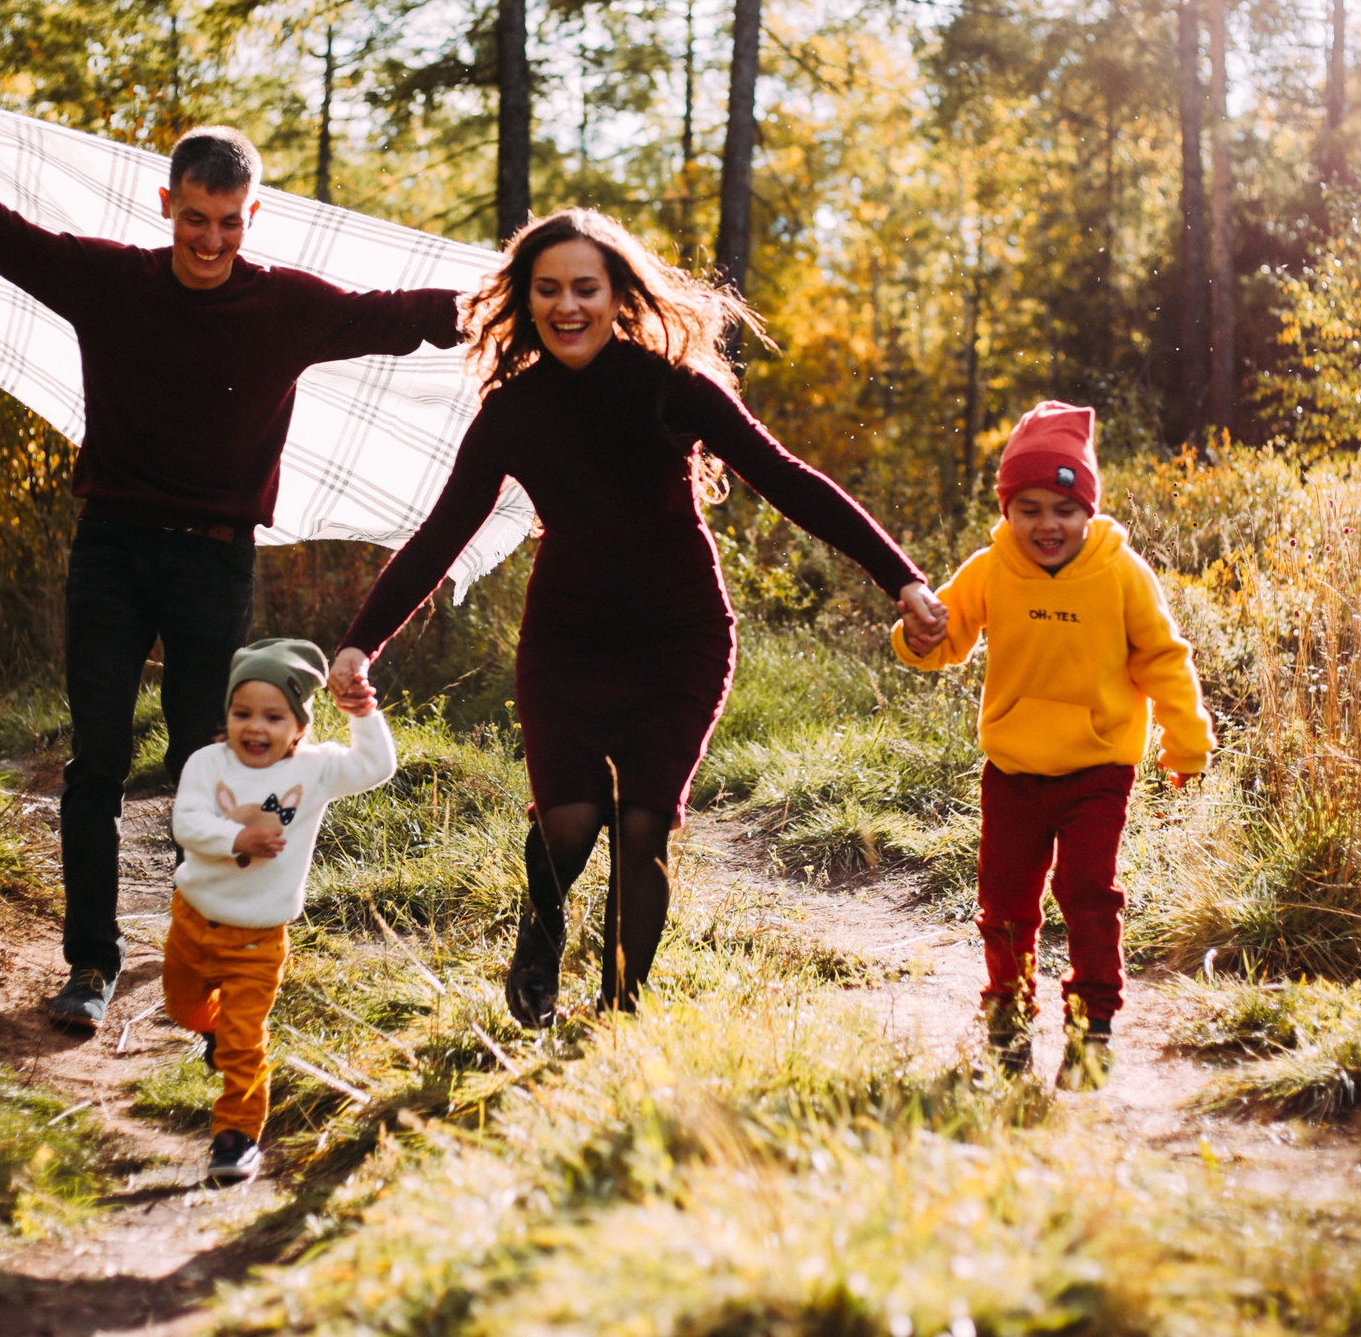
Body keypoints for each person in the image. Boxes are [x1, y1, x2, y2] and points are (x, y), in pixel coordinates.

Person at [0, 85, 464, 1030]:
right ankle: (91, 962)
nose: (211, 240)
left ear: (252, 215)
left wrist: (534, 300)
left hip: (215, 563)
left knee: (204, 759)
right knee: (96, 759)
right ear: (166, 203)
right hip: (113, 550)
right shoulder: (110, 282)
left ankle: (194, 943)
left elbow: (405, 313)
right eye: (195, 218)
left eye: (229, 222)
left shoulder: (285, 307)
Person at [328, 209, 947, 1020]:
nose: (567, 305)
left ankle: (619, 1013)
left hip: (680, 635)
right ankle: (542, 931)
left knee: (642, 823)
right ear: (526, 300)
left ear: (618, 294)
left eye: (585, 287)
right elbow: (442, 534)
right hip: (566, 641)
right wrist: (360, 645)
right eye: (548, 289)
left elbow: (787, 479)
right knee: (570, 821)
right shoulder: (512, 410)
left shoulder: (670, 387)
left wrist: (901, 579)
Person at [892, 400, 1213, 1086]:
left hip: (1099, 768)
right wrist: (916, 637)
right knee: (1004, 899)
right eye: (1029, 508)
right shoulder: (991, 567)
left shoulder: (1121, 572)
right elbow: (944, 639)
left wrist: (1186, 740)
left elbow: (1164, 659)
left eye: (1065, 509)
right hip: (1013, 769)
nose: (1047, 524)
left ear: (1088, 510)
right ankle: (1008, 1018)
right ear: (1007, 509)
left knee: (1088, 892)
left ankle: (1092, 1026)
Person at [164, 639, 392, 1184]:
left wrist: (362, 713)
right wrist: (236, 837)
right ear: (226, 716)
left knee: (246, 1040)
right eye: (241, 713)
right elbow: (187, 824)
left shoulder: (316, 769)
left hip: (258, 939)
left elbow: (376, 766)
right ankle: (213, 1031)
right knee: (185, 1010)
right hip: (192, 920)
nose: (255, 728)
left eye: (273, 716)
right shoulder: (207, 763)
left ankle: (236, 1136)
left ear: (299, 726)